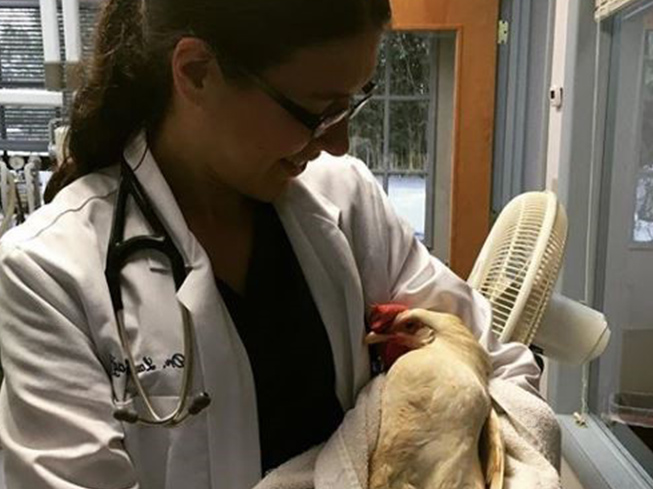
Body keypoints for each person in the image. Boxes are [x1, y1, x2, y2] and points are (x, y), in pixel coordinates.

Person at [0, 0, 548, 487]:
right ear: (195, 72)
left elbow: (493, 365)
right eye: (316, 110)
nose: (338, 142)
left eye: (351, 103)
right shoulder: (49, 273)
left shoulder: (347, 202)